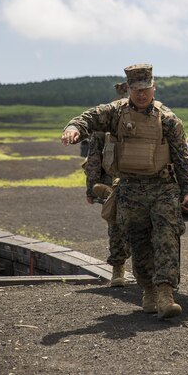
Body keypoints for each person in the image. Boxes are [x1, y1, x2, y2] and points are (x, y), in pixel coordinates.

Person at [61, 64, 188, 320]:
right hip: (131, 189)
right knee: (139, 241)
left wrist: (187, 190)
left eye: (146, 89)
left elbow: (181, 157)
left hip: (162, 187)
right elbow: (88, 117)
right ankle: (148, 291)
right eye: (136, 89)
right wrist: (73, 128)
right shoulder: (115, 113)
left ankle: (166, 294)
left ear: (153, 87)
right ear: (129, 89)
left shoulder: (168, 119)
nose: (141, 94)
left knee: (167, 237)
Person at [83, 82, 130, 287]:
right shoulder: (104, 127)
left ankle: (141, 271)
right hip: (112, 185)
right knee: (116, 225)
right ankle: (118, 269)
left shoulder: (148, 119)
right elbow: (93, 157)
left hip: (139, 182)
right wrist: (91, 187)